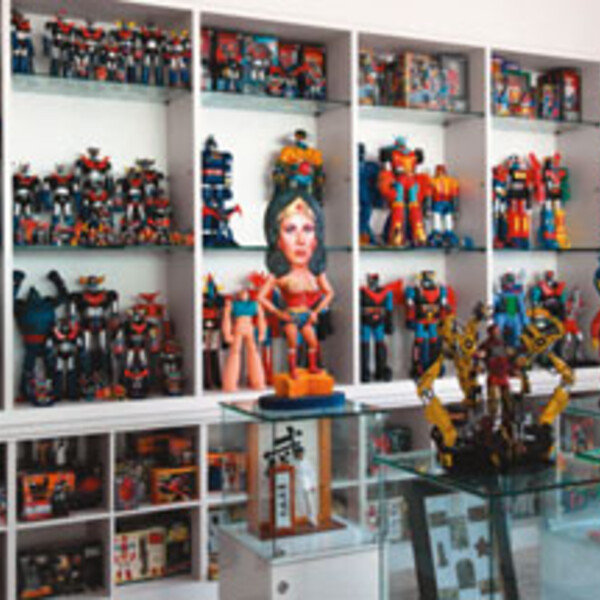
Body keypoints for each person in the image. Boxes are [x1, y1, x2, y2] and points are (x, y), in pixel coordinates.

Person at [258, 189, 334, 379]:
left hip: (306, 315)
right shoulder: (279, 275)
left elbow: (329, 293)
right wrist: (279, 313)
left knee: (313, 343)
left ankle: (312, 366)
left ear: (316, 239)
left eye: (307, 230)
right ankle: (292, 369)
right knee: (293, 344)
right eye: (290, 230)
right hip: (291, 316)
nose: (301, 240)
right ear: (277, 239)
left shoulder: (316, 273)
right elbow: (260, 297)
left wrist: (316, 312)